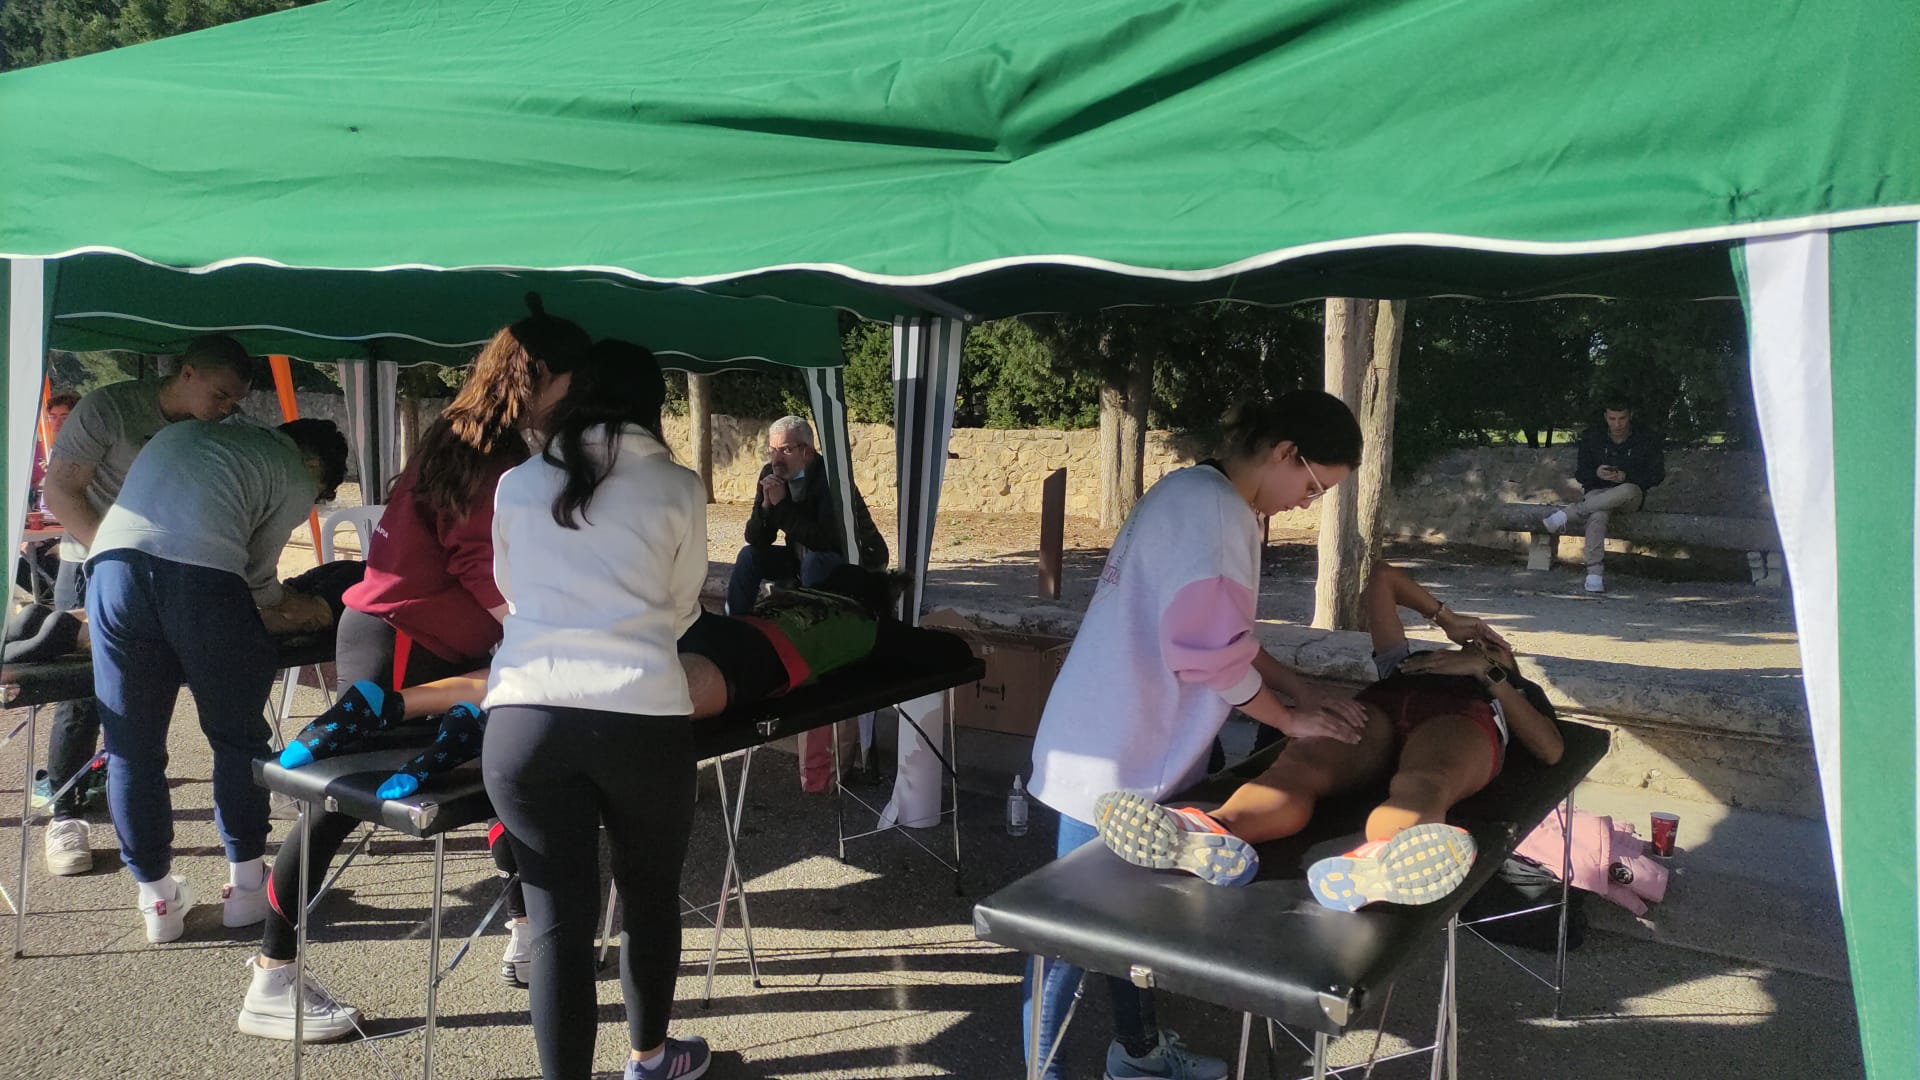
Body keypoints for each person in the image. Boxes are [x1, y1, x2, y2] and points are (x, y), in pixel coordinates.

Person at [235, 302, 593, 1041]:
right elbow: (480, 561)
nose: (576, 399)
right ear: (542, 376)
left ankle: (527, 933)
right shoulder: (485, 453)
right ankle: (272, 976)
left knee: (503, 774)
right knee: (337, 802)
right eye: (573, 383)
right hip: (402, 639)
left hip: (424, 636)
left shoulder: (472, 436)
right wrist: (539, 634)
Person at [1022, 391, 1368, 1080]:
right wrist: (1288, 718)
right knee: (1067, 939)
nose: (1307, 504)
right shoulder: (1218, 516)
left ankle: (1139, 1054)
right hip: (1113, 755)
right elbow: (1208, 658)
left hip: (1116, 738)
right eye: (1313, 486)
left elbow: (1225, 635)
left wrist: (1296, 685)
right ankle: (1043, 1072)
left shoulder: (1194, 490)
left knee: (1124, 924)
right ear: (1283, 454)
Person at [482, 338, 714, 1080]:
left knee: (557, 923)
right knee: (648, 898)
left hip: (524, 718)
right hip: (641, 715)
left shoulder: (517, 483)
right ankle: (649, 1059)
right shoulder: (677, 486)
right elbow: (682, 608)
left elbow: (510, 590)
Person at [1092, 560, 1563, 912]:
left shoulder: (1511, 689)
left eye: (1494, 647)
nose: (1480, 644)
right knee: (1298, 767)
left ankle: (1386, 858)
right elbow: (1382, 579)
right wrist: (1446, 619)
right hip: (1380, 709)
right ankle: (1212, 830)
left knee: (1425, 780)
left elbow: (1550, 750)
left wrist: (1488, 670)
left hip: (1459, 716)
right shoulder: (1404, 661)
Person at [85, 416, 349, 944]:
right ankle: (247, 886)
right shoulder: (290, 470)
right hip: (200, 582)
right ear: (315, 464)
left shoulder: (188, 434)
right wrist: (299, 607)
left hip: (111, 574)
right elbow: (258, 581)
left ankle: (156, 898)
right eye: (321, 492)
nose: (312, 501)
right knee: (237, 739)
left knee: (130, 748)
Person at [38, 335, 255, 877]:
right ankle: (65, 813)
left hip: (177, 573)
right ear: (187, 373)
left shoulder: (218, 427)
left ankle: (221, 836)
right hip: (91, 561)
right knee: (86, 699)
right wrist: (115, 555)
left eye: (235, 402)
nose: (226, 410)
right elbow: (60, 491)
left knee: (162, 711)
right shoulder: (109, 409)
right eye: (221, 395)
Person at [728, 414, 887, 615]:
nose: (777, 459)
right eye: (772, 450)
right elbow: (755, 539)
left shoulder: (830, 479)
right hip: (802, 560)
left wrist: (781, 506)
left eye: (786, 450)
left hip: (856, 559)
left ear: (808, 453)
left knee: (814, 561)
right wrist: (766, 508)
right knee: (749, 556)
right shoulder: (770, 474)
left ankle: (812, 625)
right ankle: (736, 622)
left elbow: (825, 541)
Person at [1541, 399, 1665, 593]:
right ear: (1605, 417)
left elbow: (1657, 475)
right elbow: (1581, 474)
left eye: (1622, 418)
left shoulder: (1645, 438)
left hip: (1630, 494)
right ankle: (1594, 574)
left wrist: (1625, 476)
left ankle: (1569, 513)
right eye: (1612, 419)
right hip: (1597, 493)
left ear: (1630, 416)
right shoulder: (1593, 437)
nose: (1617, 424)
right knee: (1598, 515)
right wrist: (1597, 473)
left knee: (1626, 490)